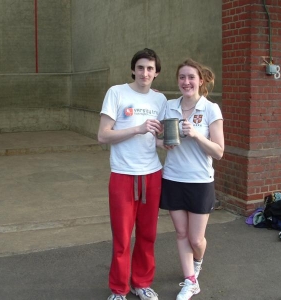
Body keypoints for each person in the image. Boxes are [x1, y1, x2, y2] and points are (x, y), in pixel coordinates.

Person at [98, 48, 167, 300]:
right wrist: (137, 128)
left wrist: (163, 144)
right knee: (123, 237)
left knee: (147, 235)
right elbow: (103, 135)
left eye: (150, 68)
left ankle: (142, 283)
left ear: (156, 72)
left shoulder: (159, 100)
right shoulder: (116, 93)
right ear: (132, 69)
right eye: (140, 67)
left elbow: (153, 139)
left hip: (152, 175)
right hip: (123, 175)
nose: (144, 73)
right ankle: (119, 289)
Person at [158, 58, 224, 300]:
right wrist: (163, 142)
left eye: (191, 77)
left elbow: (219, 151)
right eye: (182, 77)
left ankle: (197, 263)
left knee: (196, 239)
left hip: (200, 180)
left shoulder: (210, 109)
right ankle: (191, 281)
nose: (186, 82)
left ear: (201, 80)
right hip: (173, 178)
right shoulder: (169, 106)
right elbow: (157, 139)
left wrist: (196, 135)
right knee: (180, 233)